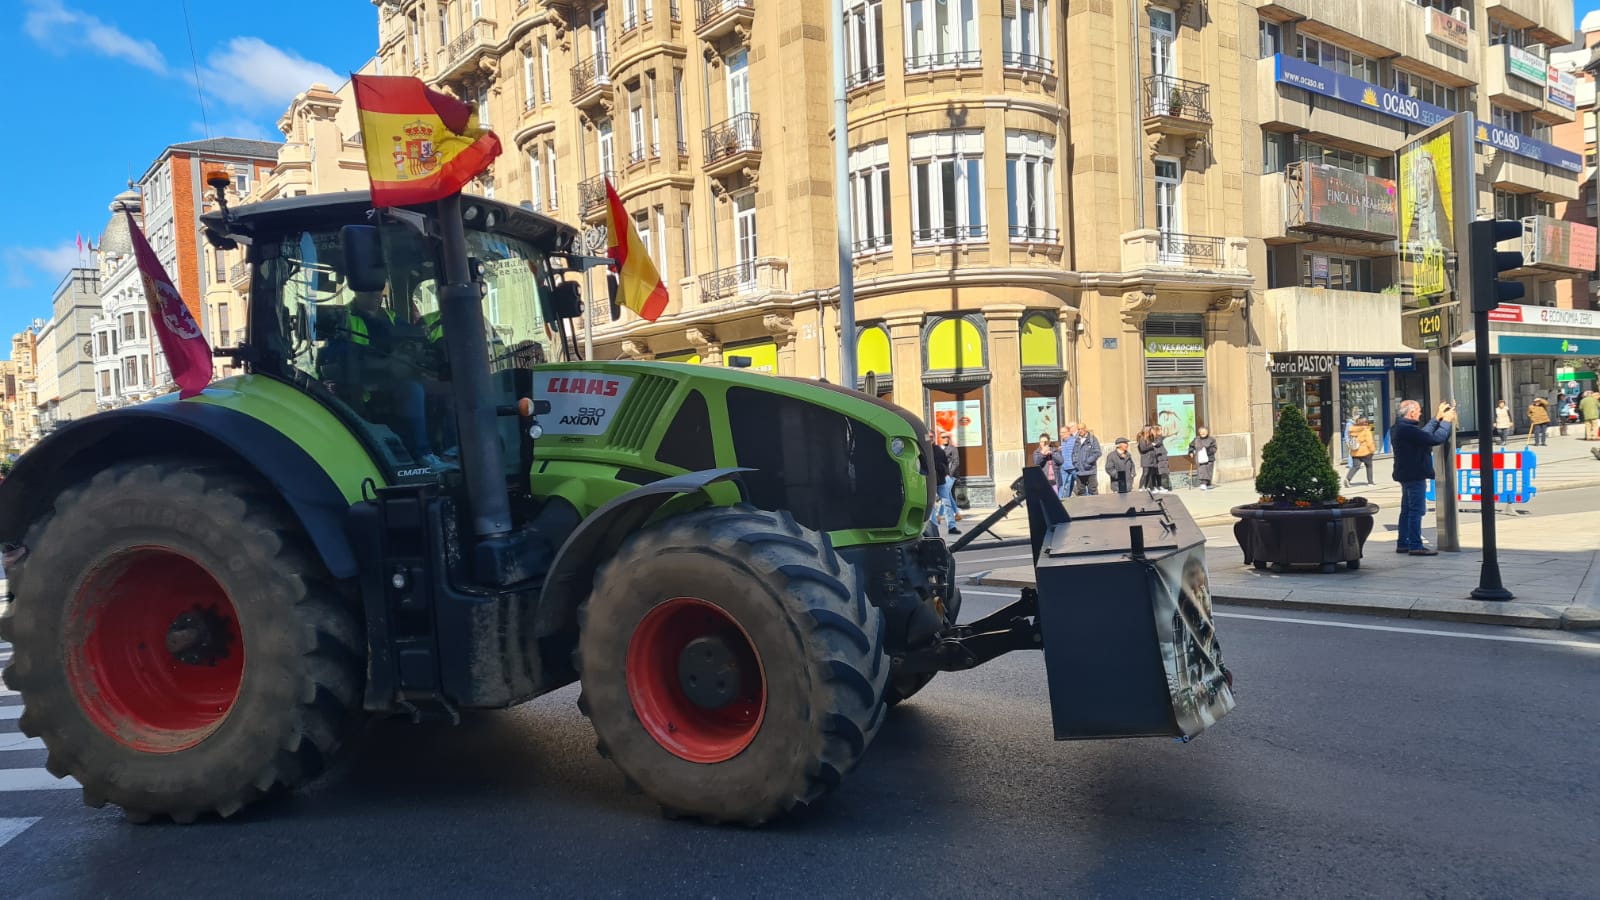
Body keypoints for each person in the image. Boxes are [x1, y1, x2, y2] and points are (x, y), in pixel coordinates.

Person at [1390, 399, 1457, 556]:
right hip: (1415, 474)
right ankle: (1415, 545)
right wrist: (1446, 422)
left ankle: (1403, 543)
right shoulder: (1407, 430)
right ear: (1411, 412)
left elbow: (1422, 435)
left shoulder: (1400, 428)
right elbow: (1434, 439)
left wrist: (1436, 418)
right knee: (1416, 510)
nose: (1420, 413)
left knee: (1406, 510)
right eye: (1419, 410)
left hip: (1406, 474)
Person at [926, 430, 957, 535]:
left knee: (947, 503)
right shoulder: (923, 450)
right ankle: (934, 529)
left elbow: (945, 463)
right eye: (928, 436)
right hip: (929, 482)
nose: (930, 438)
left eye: (931, 437)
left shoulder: (939, 450)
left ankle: (952, 526)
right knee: (931, 506)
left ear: (934, 438)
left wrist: (945, 472)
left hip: (941, 481)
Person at [1071, 423, 1101, 495]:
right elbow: (1073, 453)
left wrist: (1088, 461)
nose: (1080, 430)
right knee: (1081, 492)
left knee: (1093, 491)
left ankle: (1095, 506)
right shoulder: (1076, 440)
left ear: (1085, 429)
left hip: (1090, 470)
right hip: (1079, 471)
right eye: (1079, 429)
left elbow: (1098, 452)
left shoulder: (1092, 439)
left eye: (1082, 429)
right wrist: (1075, 463)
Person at [1345, 416, 1375, 486]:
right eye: (1367, 422)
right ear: (1365, 423)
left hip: (1355, 451)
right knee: (1369, 466)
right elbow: (1370, 443)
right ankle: (1370, 482)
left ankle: (1348, 478)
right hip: (1365, 452)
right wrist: (1372, 451)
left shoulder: (1352, 430)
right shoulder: (1366, 431)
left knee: (1355, 466)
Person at [1187, 426, 1218, 490]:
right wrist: (1191, 452)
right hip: (1200, 458)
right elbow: (1191, 446)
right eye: (1201, 432)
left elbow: (1214, 448)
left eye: (1204, 432)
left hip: (1209, 458)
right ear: (1199, 432)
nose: (1203, 433)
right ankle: (1203, 483)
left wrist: (1207, 450)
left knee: (1208, 471)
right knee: (1202, 471)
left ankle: (1208, 483)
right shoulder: (1196, 439)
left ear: (1207, 432)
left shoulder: (1211, 439)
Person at [1056, 423, 1078, 500]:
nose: (1060, 434)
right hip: (1064, 467)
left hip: (1073, 467)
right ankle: (1059, 501)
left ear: (1068, 432)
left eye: (1063, 432)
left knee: (1080, 483)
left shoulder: (1074, 441)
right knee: (1062, 485)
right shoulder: (1063, 442)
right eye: (1060, 432)